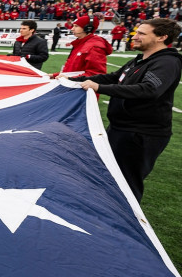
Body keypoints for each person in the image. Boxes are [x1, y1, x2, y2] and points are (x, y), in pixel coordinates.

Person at [74, 19, 182, 201]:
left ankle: (126, 224)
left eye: (142, 33)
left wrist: (98, 88)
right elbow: (114, 77)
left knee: (126, 184)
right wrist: (76, 81)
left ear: (162, 37)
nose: (135, 36)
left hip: (140, 134)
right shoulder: (141, 59)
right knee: (109, 178)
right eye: (136, 32)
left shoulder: (167, 62)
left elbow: (149, 89)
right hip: (121, 128)